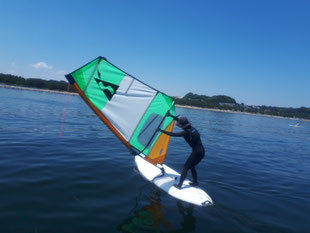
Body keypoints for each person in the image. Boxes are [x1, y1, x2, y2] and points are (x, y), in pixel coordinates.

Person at [159, 114, 205, 189]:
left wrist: (161, 131)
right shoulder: (192, 128)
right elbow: (179, 121)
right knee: (192, 166)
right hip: (202, 151)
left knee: (186, 167)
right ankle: (195, 182)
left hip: (196, 152)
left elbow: (173, 134)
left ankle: (179, 185)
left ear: (182, 126)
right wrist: (171, 115)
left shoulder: (186, 132)